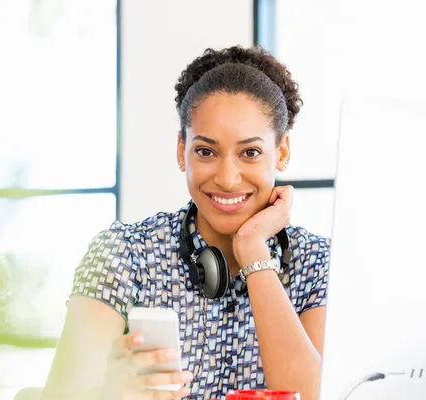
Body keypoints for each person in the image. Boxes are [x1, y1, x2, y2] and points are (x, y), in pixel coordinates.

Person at [41, 45, 330, 400]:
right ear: (182, 151)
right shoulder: (124, 255)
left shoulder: (315, 262)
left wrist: (255, 252)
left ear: (282, 152)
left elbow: (316, 396)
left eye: (250, 152)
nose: (226, 178)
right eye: (205, 151)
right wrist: (107, 393)